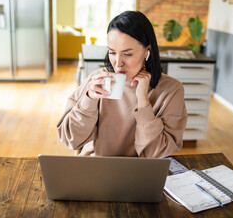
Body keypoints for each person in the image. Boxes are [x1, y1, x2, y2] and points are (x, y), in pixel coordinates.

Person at [57, 11, 187, 158]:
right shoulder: (97, 80)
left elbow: (156, 154)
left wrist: (143, 101)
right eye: (112, 52)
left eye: (127, 54)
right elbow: (71, 139)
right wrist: (89, 100)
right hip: (94, 168)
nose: (118, 63)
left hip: (141, 174)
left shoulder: (171, 90)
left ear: (147, 51)